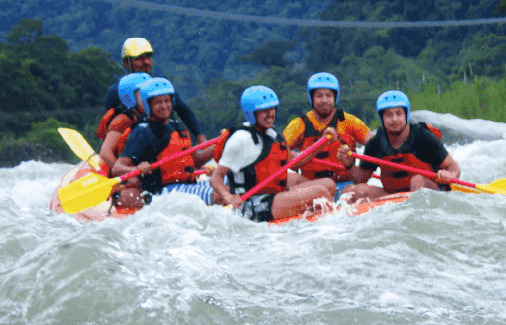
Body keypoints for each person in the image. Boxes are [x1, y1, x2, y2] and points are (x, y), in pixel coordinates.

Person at [210, 85, 336, 222]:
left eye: (272, 109)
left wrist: (322, 143)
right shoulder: (240, 139)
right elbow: (215, 177)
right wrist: (229, 198)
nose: (270, 114)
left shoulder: (273, 133)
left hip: (274, 196)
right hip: (251, 204)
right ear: (251, 113)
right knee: (321, 193)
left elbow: (295, 163)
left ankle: (313, 216)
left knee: (329, 185)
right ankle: (329, 225)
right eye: (264, 110)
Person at [111, 77, 216, 209]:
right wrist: (136, 169)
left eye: (167, 101)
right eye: (158, 102)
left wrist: (219, 145)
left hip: (188, 186)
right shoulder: (142, 131)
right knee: (216, 194)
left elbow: (194, 160)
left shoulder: (178, 127)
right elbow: (117, 168)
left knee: (225, 183)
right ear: (148, 105)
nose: (164, 106)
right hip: (164, 193)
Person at [342, 90, 460, 201]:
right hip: (393, 194)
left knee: (417, 180)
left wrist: (449, 175)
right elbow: (361, 179)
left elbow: (454, 167)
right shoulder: (376, 143)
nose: (394, 119)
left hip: (429, 191)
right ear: (382, 118)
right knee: (353, 191)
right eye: (388, 115)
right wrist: (348, 165)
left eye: (399, 114)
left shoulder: (423, 136)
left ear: (406, 115)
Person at [282, 72, 373, 197]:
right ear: (311, 98)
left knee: (354, 191)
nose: (324, 100)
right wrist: (322, 141)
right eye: (319, 96)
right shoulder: (299, 125)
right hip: (311, 186)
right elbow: (279, 151)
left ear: (334, 98)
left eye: (328, 95)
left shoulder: (348, 121)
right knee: (290, 178)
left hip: (344, 185)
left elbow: (375, 143)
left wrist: (364, 169)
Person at [101, 38, 206, 143]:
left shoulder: (160, 83)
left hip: (164, 138)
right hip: (135, 145)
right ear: (127, 63)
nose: (146, 62)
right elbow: (110, 126)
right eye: (140, 58)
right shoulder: (115, 92)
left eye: (149, 57)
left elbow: (183, 110)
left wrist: (200, 137)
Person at [93, 72, 151, 176]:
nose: (149, 97)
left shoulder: (153, 118)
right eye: (144, 94)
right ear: (130, 97)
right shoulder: (123, 119)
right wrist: (128, 173)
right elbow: (105, 153)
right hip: (125, 172)